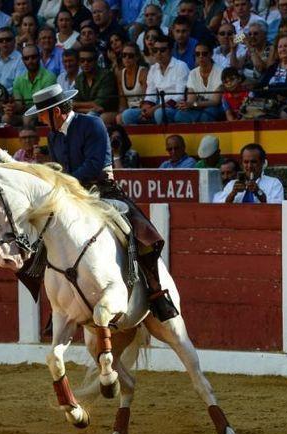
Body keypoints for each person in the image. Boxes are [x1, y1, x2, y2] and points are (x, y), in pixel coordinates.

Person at [25, 83, 179, 321]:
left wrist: (64, 184)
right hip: (71, 196)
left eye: (43, 114)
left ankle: (156, 292)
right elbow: (58, 168)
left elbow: (94, 164)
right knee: (44, 237)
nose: (41, 119)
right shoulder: (53, 135)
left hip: (102, 190)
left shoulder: (92, 124)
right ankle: (60, 307)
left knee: (138, 231)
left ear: (56, 112)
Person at [121, 34, 189, 124]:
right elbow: (150, 95)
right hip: (158, 108)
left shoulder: (181, 66)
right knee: (127, 115)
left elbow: (180, 97)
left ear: (171, 51)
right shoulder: (153, 69)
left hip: (175, 108)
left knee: (159, 113)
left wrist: (154, 109)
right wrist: (146, 109)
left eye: (162, 50)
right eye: (155, 50)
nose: (158, 53)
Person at [219, 143, 284, 203]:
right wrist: (232, 194)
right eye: (246, 162)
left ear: (262, 163)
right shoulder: (231, 185)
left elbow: (278, 206)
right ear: (241, 164)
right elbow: (218, 206)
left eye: (253, 162)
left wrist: (258, 192)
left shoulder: (274, 183)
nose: (249, 166)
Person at [176, 41, 224, 123]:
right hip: (198, 107)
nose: (201, 56)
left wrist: (194, 104)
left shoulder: (220, 71)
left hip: (215, 107)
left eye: (204, 54)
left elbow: (216, 102)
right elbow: (191, 100)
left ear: (211, 54)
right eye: (197, 54)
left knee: (207, 115)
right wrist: (186, 104)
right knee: (179, 115)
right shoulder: (193, 73)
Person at [10, 44, 57, 127]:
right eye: (26, 58)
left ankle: (28, 139)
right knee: (5, 118)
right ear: (23, 60)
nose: (30, 61)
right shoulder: (18, 80)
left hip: (45, 113)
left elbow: (43, 106)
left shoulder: (49, 77)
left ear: (40, 57)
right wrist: (11, 108)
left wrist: (22, 107)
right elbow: (19, 104)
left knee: (27, 118)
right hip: (26, 113)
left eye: (33, 57)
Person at [73, 46, 118, 125]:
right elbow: (74, 103)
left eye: (89, 60)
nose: (85, 63)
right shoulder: (79, 78)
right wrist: (88, 108)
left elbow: (99, 104)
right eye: (82, 60)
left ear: (96, 60)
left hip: (108, 113)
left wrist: (76, 106)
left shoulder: (106, 76)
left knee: (90, 117)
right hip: (90, 112)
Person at [0, 27, 25, 92]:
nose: (4, 42)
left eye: (8, 39)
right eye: (0, 40)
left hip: (10, 99)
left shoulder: (21, 60)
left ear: (14, 41)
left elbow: (18, 87)